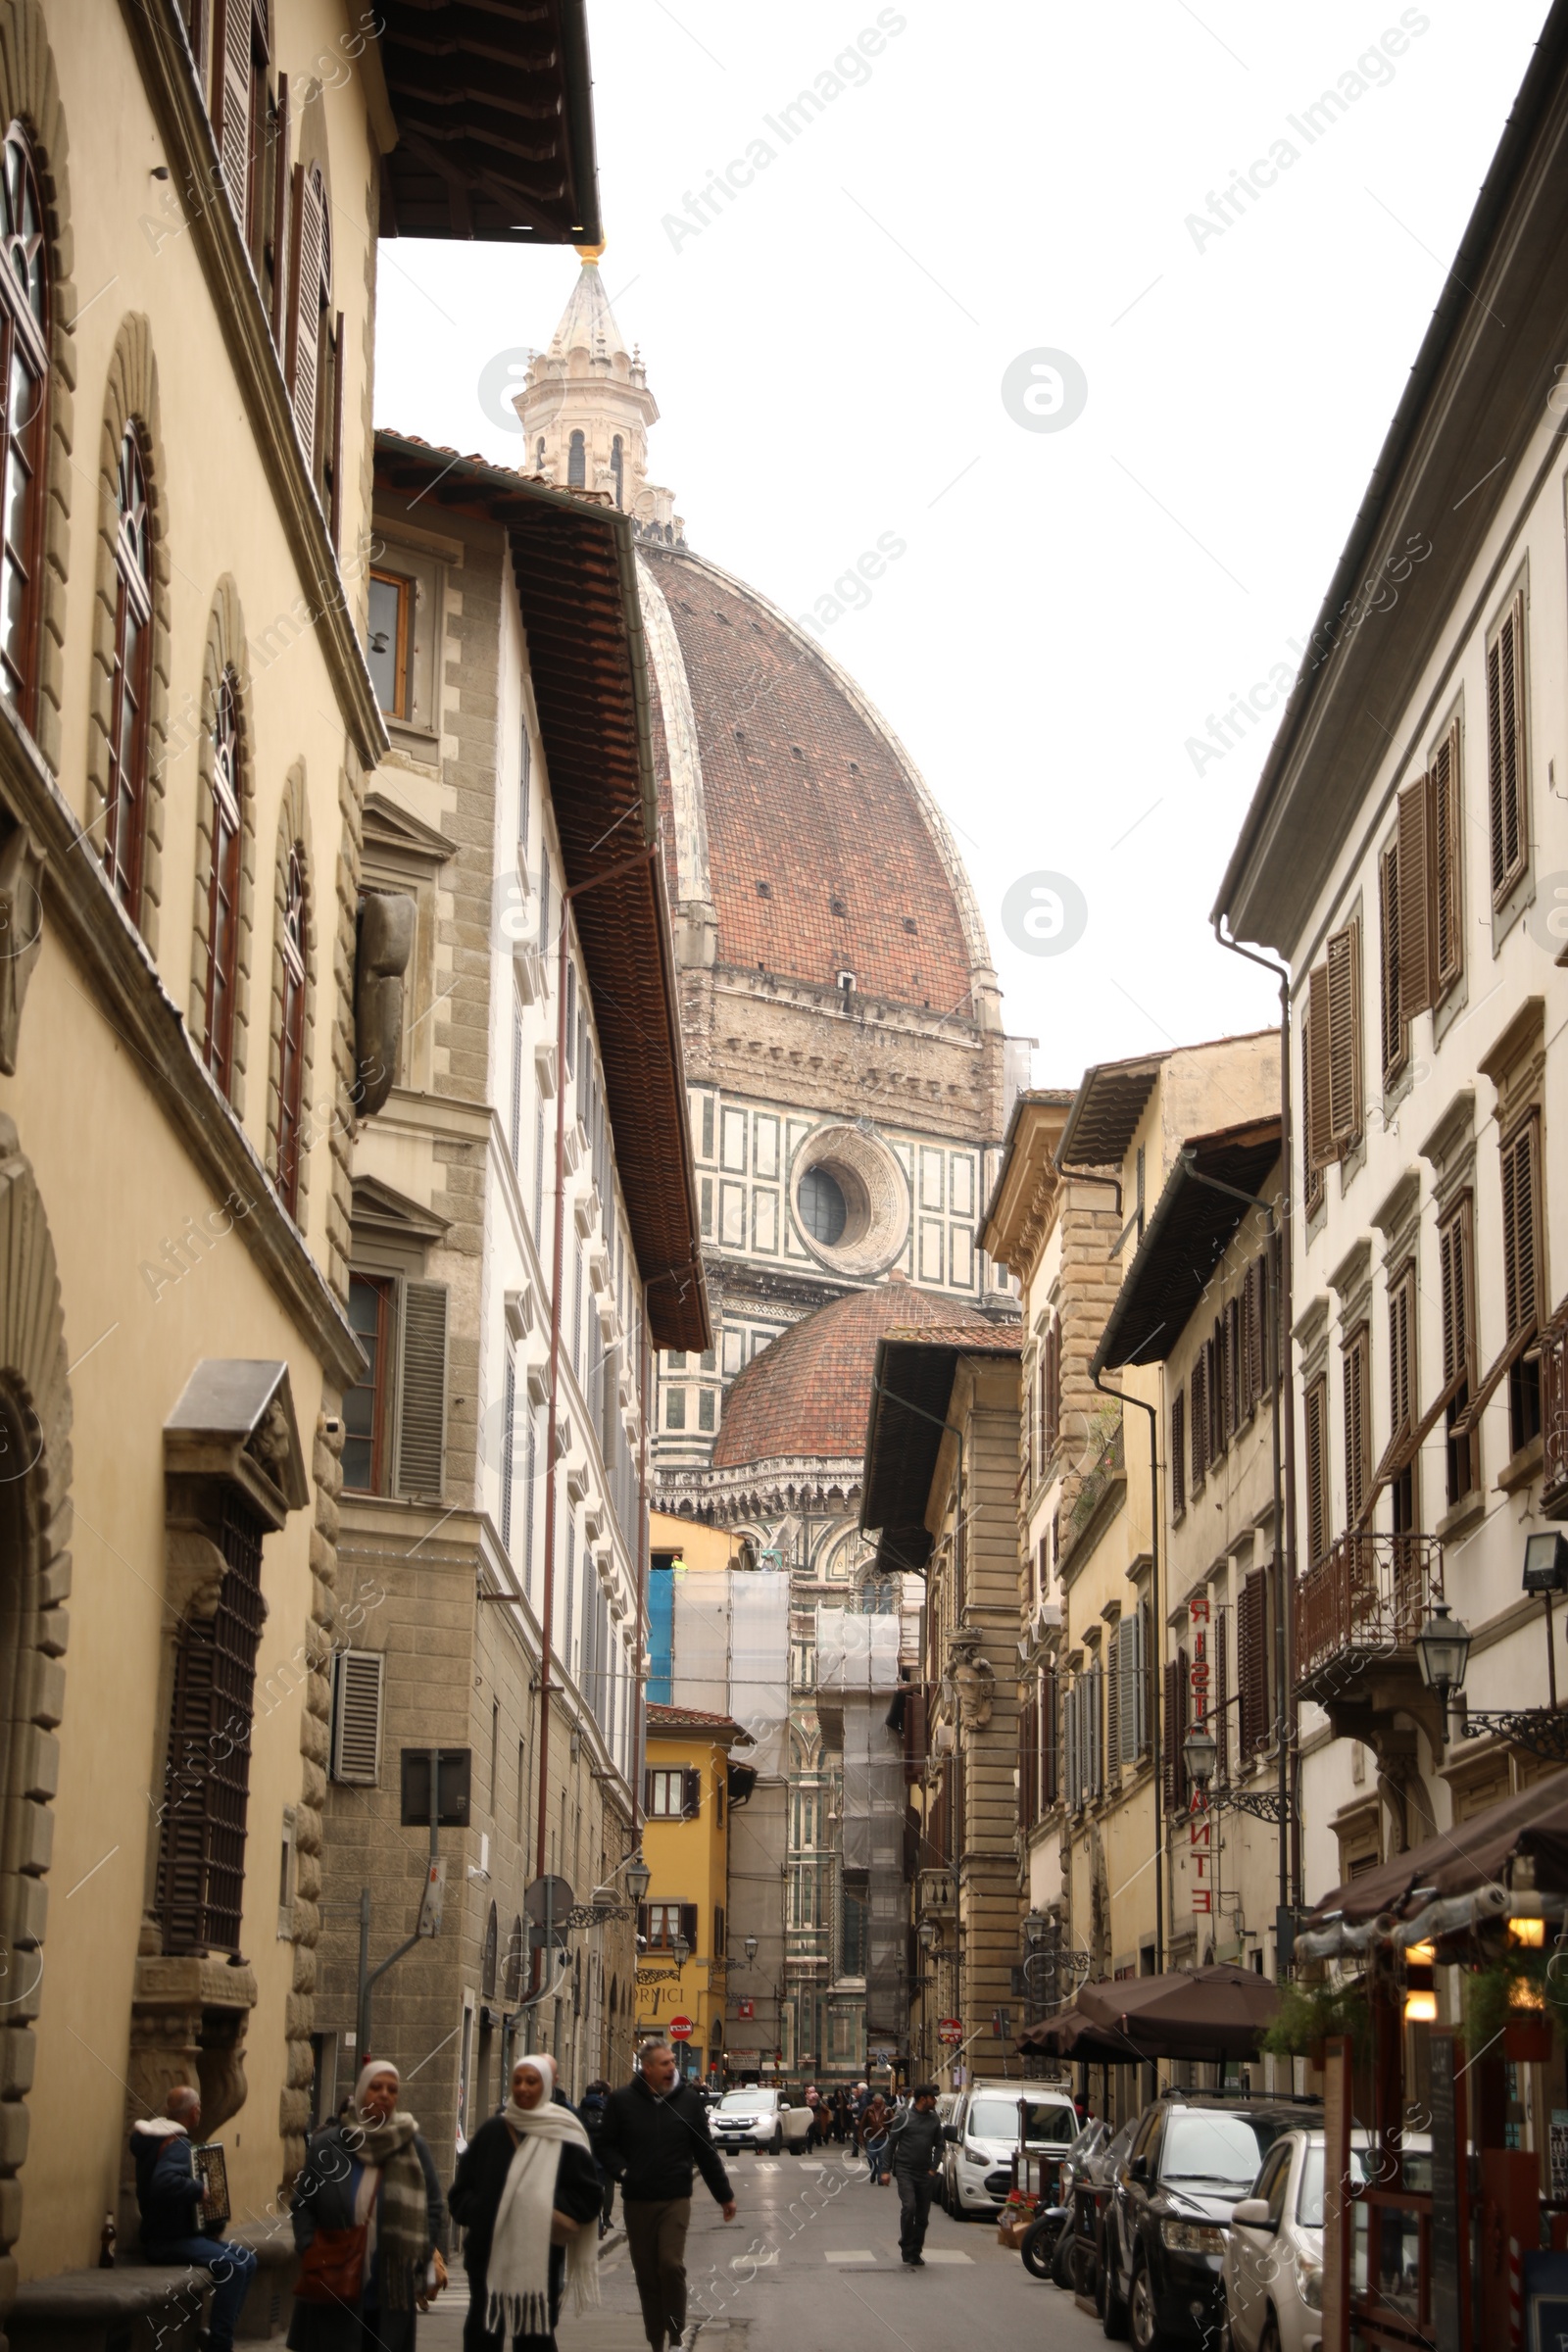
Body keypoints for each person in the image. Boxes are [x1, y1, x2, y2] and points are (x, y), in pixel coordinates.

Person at [448, 2054, 602, 2352]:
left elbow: (589, 2197)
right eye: (517, 2081)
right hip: (487, 2256)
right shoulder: (493, 2132)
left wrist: (538, 2201)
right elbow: (459, 2193)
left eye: (531, 2081)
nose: (522, 2088)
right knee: (482, 2333)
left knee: (535, 2339)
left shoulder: (565, 2134)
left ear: (545, 2085)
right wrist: (480, 2211)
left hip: (539, 2260)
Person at [288, 2062, 445, 2352]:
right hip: (333, 2280)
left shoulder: (413, 2145)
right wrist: (310, 2248)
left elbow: (434, 2207)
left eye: (392, 2090)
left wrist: (419, 2250)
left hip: (392, 2287)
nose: (384, 2095)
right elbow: (302, 2206)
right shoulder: (327, 2146)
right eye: (376, 2087)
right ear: (361, 2093)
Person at [597, 2039, 736, 2352]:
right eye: (665, 2063)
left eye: (673, 2062)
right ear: (647, 2068)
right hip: (637, 2202)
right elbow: (604, 2146)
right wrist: (623, 2172)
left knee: (671, 2265)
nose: (672, 2067)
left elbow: (706, 2151)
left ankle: (675, 2336)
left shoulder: (688, 2102)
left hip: (675, 2199)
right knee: (647, 2276)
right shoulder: (622, 2102)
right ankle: (655, 2341)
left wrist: (724, 2195)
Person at [132, 2086, 259, 2352]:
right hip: (169, 2240)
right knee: (233, 2267)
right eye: (199, 2106)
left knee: (248, 2259)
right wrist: (199, 2190)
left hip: (167, 2234)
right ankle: (219, 2344)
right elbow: (164, 2183)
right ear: (194, 2111)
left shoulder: (155, 2138)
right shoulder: (178, 2143)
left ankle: (216, 2333)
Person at [887, 2084, 945, 2268]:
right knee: (909, 2206)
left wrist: (933, 2168)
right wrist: (885, 2170)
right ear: (922, 2099)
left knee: (922, 2217)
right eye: (932, 2098)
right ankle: (906, 2245)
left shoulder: (934, 2119)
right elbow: (891, 2143)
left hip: (924, 2173)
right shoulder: (904, 2117)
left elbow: (940, 2145)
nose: (935, 2101)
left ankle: (916, 2251)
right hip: (905, 2170)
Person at [578, 2079, 615, 2236]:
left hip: (584, 2158)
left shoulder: (579, 2111)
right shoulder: (609, 2110)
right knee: (605, 2189)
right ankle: (603, 2220)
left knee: (585, 2191)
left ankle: (591, 2221)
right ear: (601, 2094)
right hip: (604, 2158)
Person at [861, 2092, 890, 2185]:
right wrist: (861, 2137)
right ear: (873, 2102)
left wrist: (892, 2136)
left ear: (882, 2102)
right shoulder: (868, 2109)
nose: (878, 2105)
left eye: (879, 2103)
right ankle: (874, 2172)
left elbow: (893, 2123)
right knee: (871, 2157)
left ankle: (880, 2178)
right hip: (871, 2138)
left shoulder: (887, 2110)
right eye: (876, 2103)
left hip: (883, 2138)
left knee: (882, 2159)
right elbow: (863, 2124)